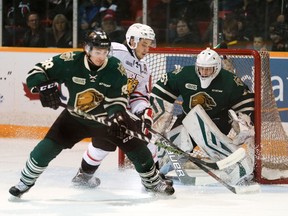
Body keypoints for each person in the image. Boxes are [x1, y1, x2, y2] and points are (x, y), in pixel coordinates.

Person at [9, 30, 175, 199]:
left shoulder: (115, 68)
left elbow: (118, 98)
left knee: (140, 149)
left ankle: (153, 183)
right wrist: (42, 87)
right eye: (97, 52)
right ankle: (25, 182)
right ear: (87, 49)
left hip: (107, 120)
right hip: (75, 118)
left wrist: (116, 114)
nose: (101, 57)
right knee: (46, 148)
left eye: (104, 52)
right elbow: (37, 71)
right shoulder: (70, 60)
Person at [72, 23, 173, 187]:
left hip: (120, 111)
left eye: (149, 45)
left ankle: (153, 179)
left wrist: (143, 111)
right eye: (144, 44)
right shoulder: (116, 51)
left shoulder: (143, 69)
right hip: (102, 107)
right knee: (104, 144)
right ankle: (83, 177)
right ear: (132, 41)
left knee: (142, 140)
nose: (147, 49)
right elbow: (90, 59)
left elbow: (138, 96)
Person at [150, 47, 255, 185]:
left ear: (216, 68)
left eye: (208, 69)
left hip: (217, 121)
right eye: (201, 68)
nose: (204, 72)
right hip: (187, 118)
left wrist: (245, 123)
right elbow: (162, 89)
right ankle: (158, 172)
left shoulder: (229, 81)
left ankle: (239, 169)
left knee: (211, 142)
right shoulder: (185, 74)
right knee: (172, 148)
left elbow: (246, 102)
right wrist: (159, 116)